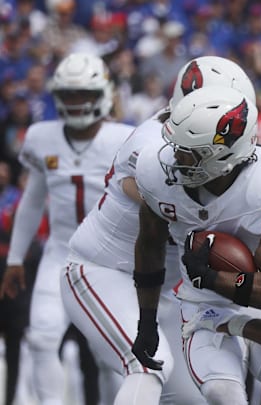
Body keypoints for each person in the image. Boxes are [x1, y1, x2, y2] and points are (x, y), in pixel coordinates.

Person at [59, 55, 257, 404]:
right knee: (147, 369)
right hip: (103, 272)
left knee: (204, 397)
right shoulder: (152, 145)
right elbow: (167, 201)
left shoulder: (221, 152)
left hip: (164, 293)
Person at [131, 85, 261, 405]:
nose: (174, 156)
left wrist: (211, 276)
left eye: (189, 151)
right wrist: (146, 322)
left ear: (223, 156)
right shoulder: (156, 171)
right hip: (204, 309)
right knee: (222, 394)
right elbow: (149, 245)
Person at [0, 52, 133, 405]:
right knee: (42, 339)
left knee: (113, 355)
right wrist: (15, 258)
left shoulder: (126, 138)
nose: (76, 102)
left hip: (109, 262)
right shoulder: (41, 137)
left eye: (84, 94)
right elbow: (32, 198)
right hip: (59, 253)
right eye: (70, 94)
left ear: (102, 94)